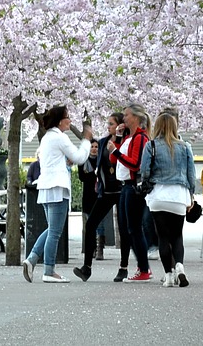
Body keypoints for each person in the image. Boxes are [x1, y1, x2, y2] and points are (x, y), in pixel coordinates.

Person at [22, 105, 92, 284]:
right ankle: (49, 270)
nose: (70, 120)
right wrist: (86, 140)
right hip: (57, 187)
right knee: (55, 231)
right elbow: (79, 157)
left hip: (46, 187)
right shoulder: (59, 137)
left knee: (51, 228)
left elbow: (60, 159)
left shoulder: (48, 138)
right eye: (68, 117)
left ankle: (32, 259)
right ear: (61, 121)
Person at [141, 108, 198, 287]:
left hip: (158, 194)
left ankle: (169, 275)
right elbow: (191, 174)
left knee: (162, 237)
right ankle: (180, 266)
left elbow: (144, 171)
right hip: (179, 195)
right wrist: (191, 196)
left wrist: (146, 183)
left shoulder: (151, 146)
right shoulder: (184, 146)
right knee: (177, 235)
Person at [74, 112, 123, 280]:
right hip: (106, 191)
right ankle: (86, 267)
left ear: (120, 125)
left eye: (111, 123)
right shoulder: (102, 143)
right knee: (92, 224)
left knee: (124, 228)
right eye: (108, 123)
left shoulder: (126, 141)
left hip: (122, 191)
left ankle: (123, 267)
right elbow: (95, 163)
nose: (108, 126)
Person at [112, 103, 154, 282]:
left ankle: (144, 268)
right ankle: (142, 266)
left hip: (133, 186)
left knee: (134, 228)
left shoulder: (141, 138)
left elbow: (135, 163)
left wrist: (117, 152)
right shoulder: (130, 137)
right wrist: (119, 140)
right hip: (124, 186)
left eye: (127, 115)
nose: (124, 118)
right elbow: (114, 160)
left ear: (136, 117)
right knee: (128, 229)